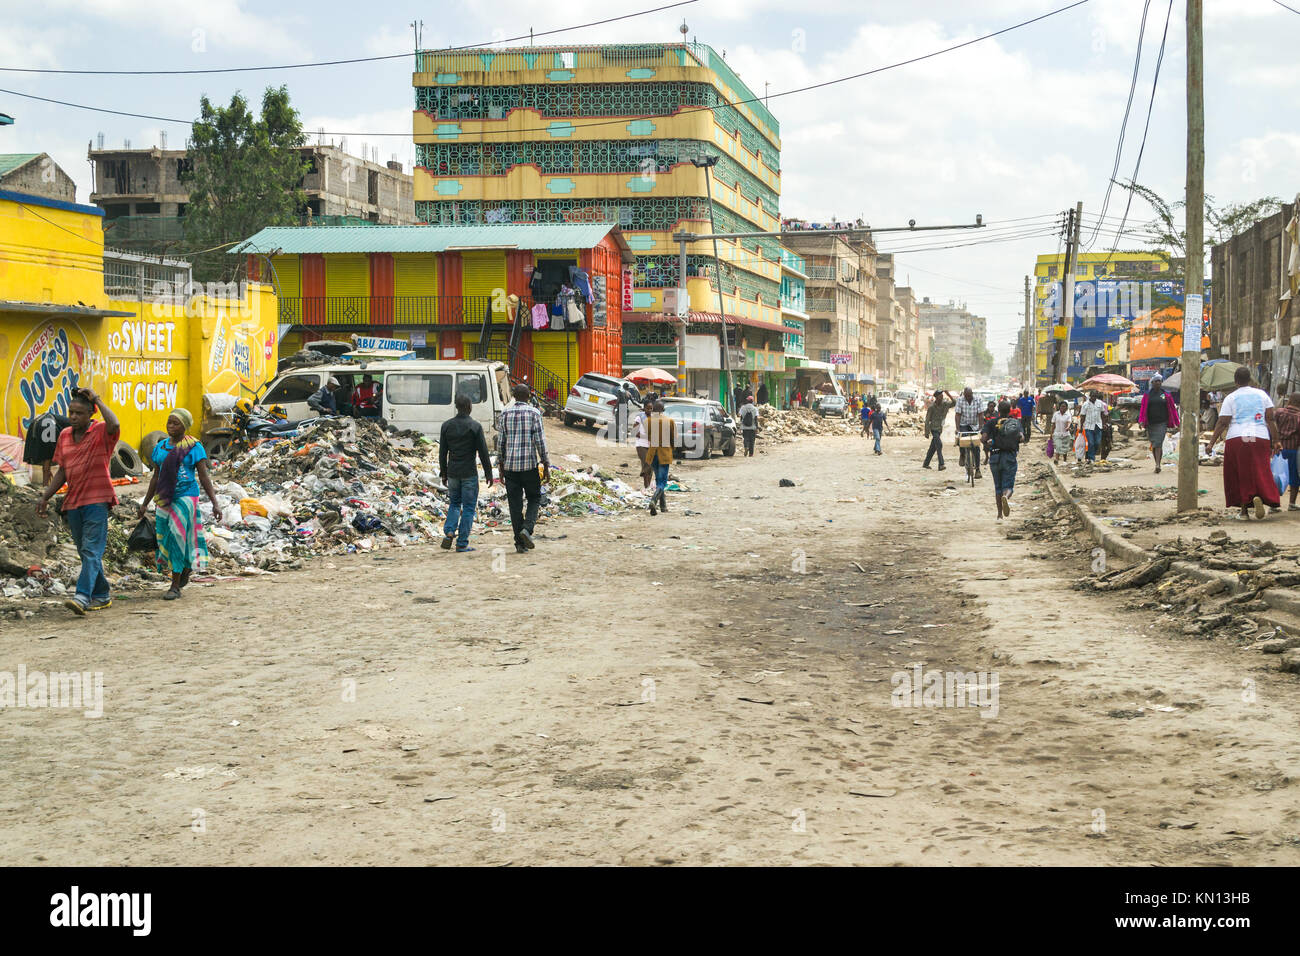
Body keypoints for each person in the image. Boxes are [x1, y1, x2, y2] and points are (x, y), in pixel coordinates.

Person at [34, 388, 120, 615]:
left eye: (79, 413)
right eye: (71, 412)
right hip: (73, 502)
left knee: (91, 550)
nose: (73, 417)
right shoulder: (64, 436)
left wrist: (97, 398)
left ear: (90, 414)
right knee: (85, 551)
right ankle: (101, 595)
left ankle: (81, 597)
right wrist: (45, 496)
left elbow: (115, 424)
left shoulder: (101, 430)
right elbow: (63, 469)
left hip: (98, 499)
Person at [137, 408, 222, 599]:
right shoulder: (160, 448)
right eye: (169, 422)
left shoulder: (194, 447)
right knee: (164, 536)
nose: (170, 426)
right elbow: (155, 477)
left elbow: (203, 476)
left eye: (175, 423)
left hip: (186, 496)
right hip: (164, 497)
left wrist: (215, 503)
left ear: (185, 426)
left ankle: (174, 585)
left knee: (177, 535)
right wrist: (145, 503)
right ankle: (184, 567)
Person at [1207, 366, 1280, 520]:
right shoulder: (1262, 395)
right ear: (1250, 380)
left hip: (1238, 438)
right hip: (1259, 437)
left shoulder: (1231, 398)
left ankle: (1244, 511)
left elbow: (1222, 422)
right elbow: (1270, 418)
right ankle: (1260, 496)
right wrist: (1277, 441)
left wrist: (1211, 443)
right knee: (1260, 469)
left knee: (1238, 472)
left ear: (1235, 381)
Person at [497, 384, 552, 552]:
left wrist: (500, 465)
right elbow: (540, 441)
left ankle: (519, 543)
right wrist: (545, 463)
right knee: (534, 498)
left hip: (510, 468)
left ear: (514, 396)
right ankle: (527, 529)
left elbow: (501, 443)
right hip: (529, 466)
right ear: (528, 396)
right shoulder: (534, 413)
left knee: (515, 505)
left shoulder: (505, 413)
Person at [438, 394, 493, 553]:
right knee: (468, 508)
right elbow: (483, 452)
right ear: (469, 407)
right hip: (469, 472)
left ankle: (449, 531)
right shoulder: (475, 426)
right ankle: (462, 543)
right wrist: (488, 473)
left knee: (454, 503)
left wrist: (443, 473)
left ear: (456, 406)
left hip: (453, 471)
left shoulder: (446, 426)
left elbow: (443, 452)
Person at [981, 399, 1023, 520]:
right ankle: (1006, 496)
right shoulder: (1015, 423)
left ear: (998, 411)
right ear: (1010, 410)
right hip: (1009, 457)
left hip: (994, 457)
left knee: (997, 487)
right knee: (1008, 485)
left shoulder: (991, 423)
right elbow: (1022, 438)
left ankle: (999, 515)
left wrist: (988, 442)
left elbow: (983, 438)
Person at [1138, 375, 1180, 474]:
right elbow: (1143, 409)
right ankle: (1157, 462)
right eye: (1156, 381)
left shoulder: (1166, 394)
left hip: (1162, 422)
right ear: (1152, 383)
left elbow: (1172, 409)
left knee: (1158, 443)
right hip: (1151, 423)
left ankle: (1158, 464)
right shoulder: (1147, 395)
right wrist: (1141, 421)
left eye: (1159, 381)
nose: (1158, 383)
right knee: (1154, 443)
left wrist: (1177, 422)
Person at [21, 410, 70, 486]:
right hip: (48, 424)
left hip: (37, 422)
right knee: (48, 455)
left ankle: (45, 483)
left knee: (46, 456)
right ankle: (45, 484)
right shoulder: (80, 427)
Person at [645, 401, 676, 516]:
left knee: (658, 479)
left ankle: (663, 506)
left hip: (652, 453)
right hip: (664, 453)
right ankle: (654, 500)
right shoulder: (670, 421)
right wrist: (672, 448)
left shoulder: (648, 421)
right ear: (663, 409)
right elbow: (673, 438)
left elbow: (647, 436)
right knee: (662, 481)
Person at [1274, 392, 1300, 511]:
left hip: (1278, 449)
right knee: (1294, 477)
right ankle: (1292, 503)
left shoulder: (1279, 412)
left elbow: (1272, 426)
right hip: (1294, 450)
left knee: (1276, 476)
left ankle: (1273, 504)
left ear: (1289, 401)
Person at [954, 386, 983, 478]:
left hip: (975, 425)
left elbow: (980, 415)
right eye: (966, 396)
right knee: (962, 439)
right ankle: (962, 454)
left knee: (976, 447)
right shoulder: (960, 400)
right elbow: (958, 415)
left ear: (972, 394)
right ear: (964, 395)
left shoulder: (978, 400)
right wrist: (958, 428)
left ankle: (977, 469)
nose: (968, 398)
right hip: (964, 424)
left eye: (969, 396)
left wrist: (981, 428)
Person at [923, 389, 954, 470]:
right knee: (939, 445)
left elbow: (954, 403)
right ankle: (941, 464)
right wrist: (926, 432)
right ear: (936, 397)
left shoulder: (945, 404)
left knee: (933, 447)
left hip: (940, 428)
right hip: (934, 429)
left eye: (942, 395)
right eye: (940, 396)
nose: (942, 397)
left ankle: (926, 463)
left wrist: (948, 394)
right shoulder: (932, 407)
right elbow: (927, 420)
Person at [1080, 390, 1109, 462]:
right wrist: (1081, 426)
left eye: (1095, 396)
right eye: (1093, 396)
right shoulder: (1085, 404)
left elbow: (1102, 414)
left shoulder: (1100, 403)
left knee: (1097, 443)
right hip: (1088, 426)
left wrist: (1104, 423)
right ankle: (1091, 458)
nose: (1094, 398)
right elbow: (1082, 416)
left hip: (1098, 425)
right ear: (1090, 396)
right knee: (1091, 442)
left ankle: (1090, 454)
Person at [632, 399, 654, 490]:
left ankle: (648, 484)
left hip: (651, 445)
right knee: (646, 462)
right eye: (648, 408)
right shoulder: (640, 417)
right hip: (641, 444)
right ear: (644, 408)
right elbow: (634, 431)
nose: (649, 410)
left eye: (651, 408)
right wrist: (646, 436)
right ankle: (646, 484)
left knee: (651, 466)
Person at [1050, 398, 1074, 465]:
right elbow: (1053, 425)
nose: (1063, 408)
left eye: (1064, 406)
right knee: (1058, 446)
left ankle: (1065, 460)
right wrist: (1051, 434)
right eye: (1062, 406)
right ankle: (1057, 459)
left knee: (1065, 449)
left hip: (1066, 434)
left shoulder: (1068, 415)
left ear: (1066, 408)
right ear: (1059, 407)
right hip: (1057, 433)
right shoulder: (1056, 414)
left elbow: (1069, 422)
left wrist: (1068, 427)